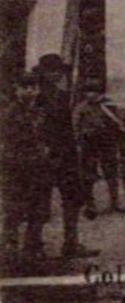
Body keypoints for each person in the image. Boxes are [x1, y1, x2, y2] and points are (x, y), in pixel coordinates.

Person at [34, 55, 93, 259]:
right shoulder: (36, 96)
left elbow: (66, 127)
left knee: (73, 198)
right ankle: (33, 245)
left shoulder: (60, 94)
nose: (57, 74)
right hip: (45, 156)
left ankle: (71, 243)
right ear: (43, 72)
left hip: (65, 155)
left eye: (58, 71)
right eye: (52, 71)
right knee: (39, 201)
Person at [2, 70, 51, 267]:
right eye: (25, 88)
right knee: (14, 207)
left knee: (38, 208)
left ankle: (33, 246)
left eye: (33, 88)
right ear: (17, 90)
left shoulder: (40, 112)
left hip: (38, 167)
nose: (30, 92)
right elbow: (9, 140)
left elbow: (47, 137)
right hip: (16, 167)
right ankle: (9, 245)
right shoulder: (10, 113)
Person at [75, 88, 124, 216]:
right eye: (88, 91)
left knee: (111, 173)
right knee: (88, 174)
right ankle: (90, 204)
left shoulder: (109, 106)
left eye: (93, 91)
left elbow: (118, 123)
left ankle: (114, 203)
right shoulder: (82, 107)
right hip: (88, 145)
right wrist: (81, 137)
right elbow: (76, 125)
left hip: (107, 143)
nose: (89, 93)